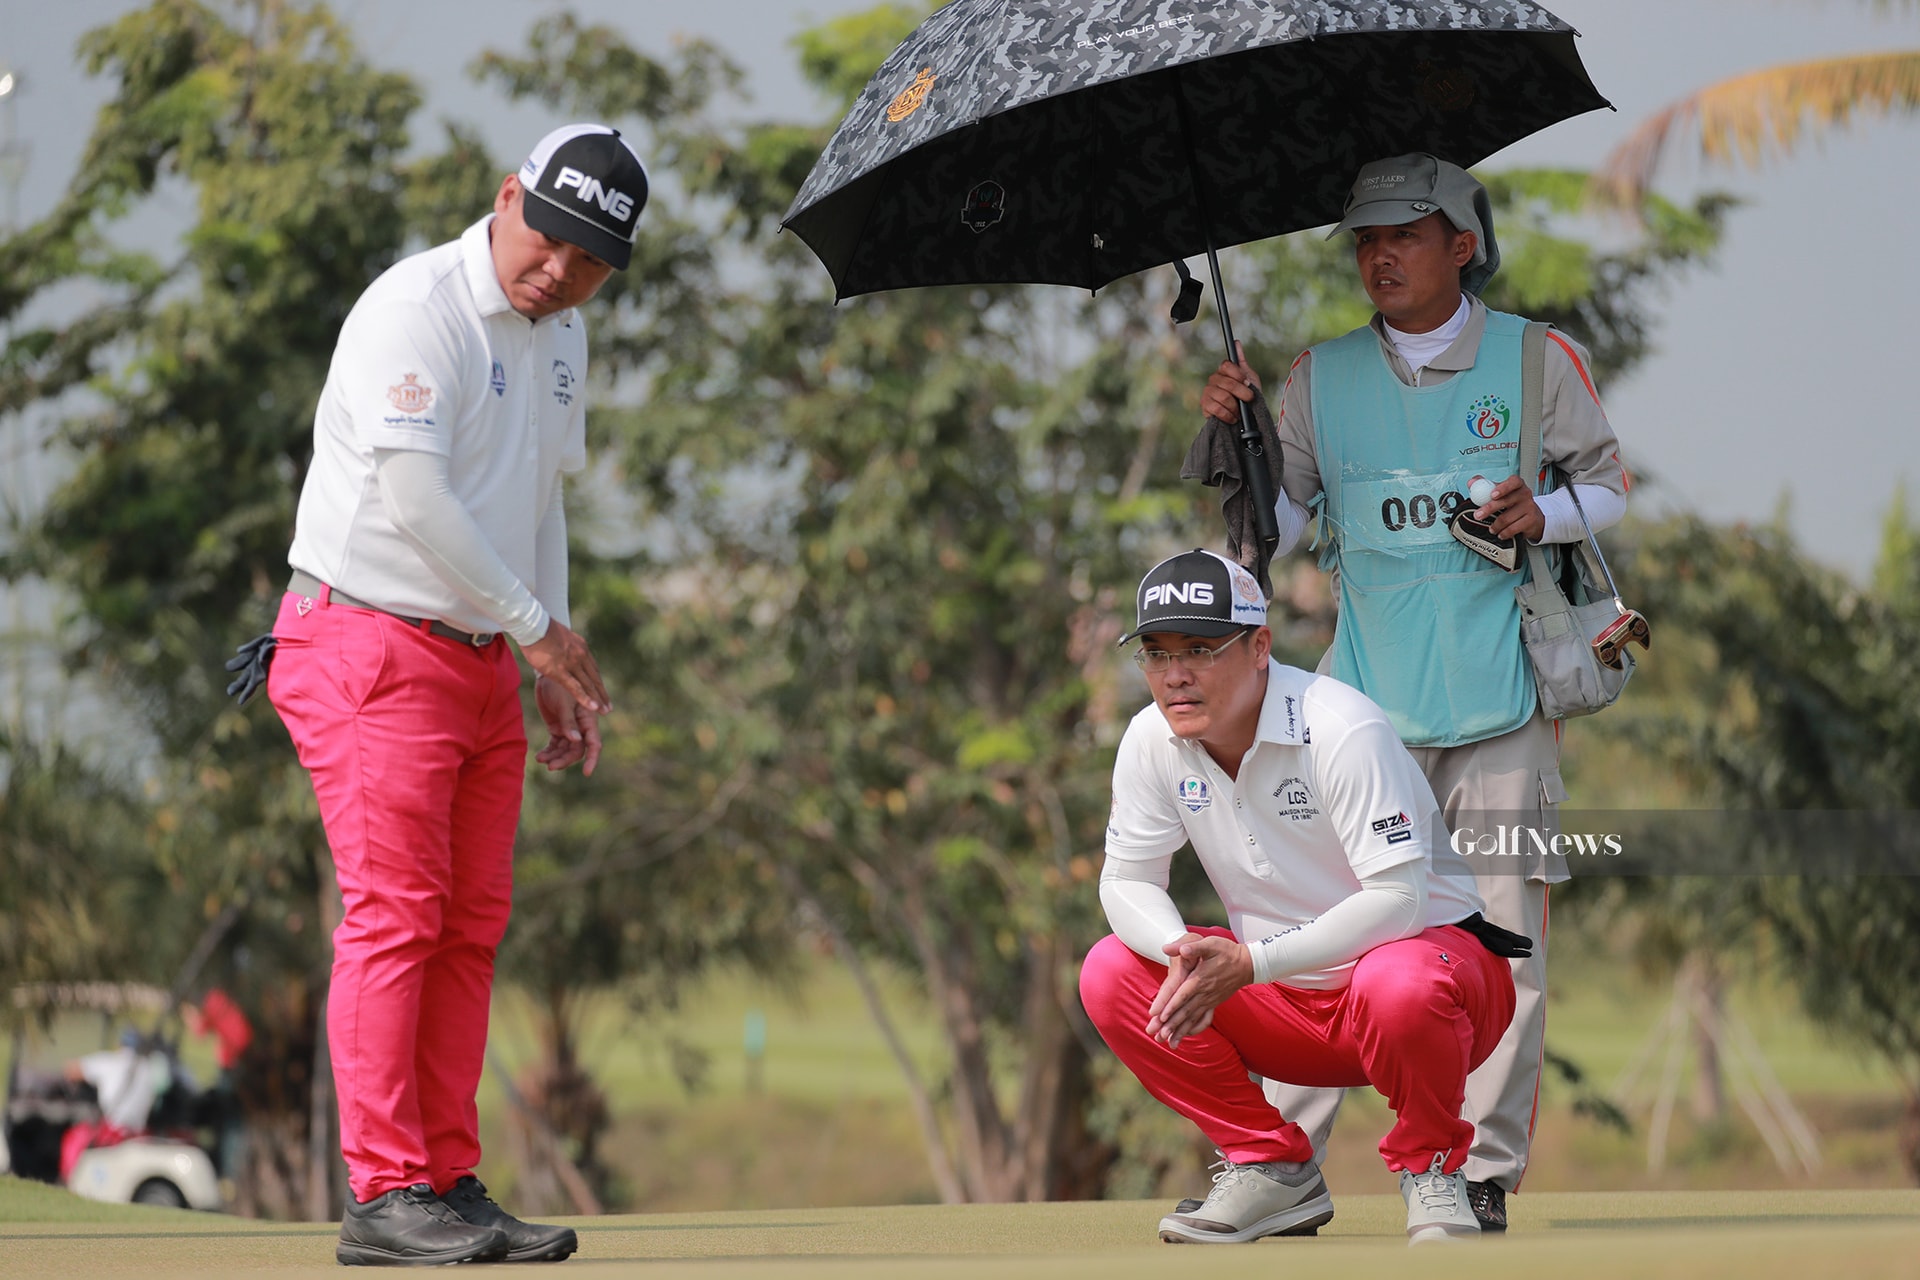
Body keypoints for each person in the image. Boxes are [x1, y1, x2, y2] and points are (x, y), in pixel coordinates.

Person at [1196, 153, 1629, 1232]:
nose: (1379, 256)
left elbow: (1610, 485)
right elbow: (1273, 536)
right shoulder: (1313, 377)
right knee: (1323, 930)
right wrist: (1240, 441)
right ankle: (1285, 1162)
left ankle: (1479, 1169)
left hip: (1502, 695)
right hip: (1358, 708)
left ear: (1462, 245)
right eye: (1364, 240)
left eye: (1404, 234)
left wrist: (1550, 513)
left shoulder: (1538, 360)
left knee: (1498, 936)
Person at [266, 123, 647, 1267]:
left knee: (468, 927)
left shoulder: (562, 332)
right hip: (366, 641)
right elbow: (417, 495)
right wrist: (539, 631)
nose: (559, 270)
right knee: (396, 916)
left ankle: (443, 1177)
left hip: (481, 657)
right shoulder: (413, 306)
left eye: (589, 260)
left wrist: (554, 659)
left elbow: (540, 501)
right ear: (507, 195)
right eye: (551, 239)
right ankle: (385, 1192)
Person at [1083, 548, 1521, 1245]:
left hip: (1436, 995)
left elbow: (1400, 902)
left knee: (1396, 977)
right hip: (1287, 1010)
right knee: (1110, 971)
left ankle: (1433, 1170)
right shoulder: (1149, 739)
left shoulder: (1340, 726)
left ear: (1260, 647)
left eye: (1200, 648)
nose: (1175, 676)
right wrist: (1178, 954)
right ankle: (1270, 1166)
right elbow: (1128, 879)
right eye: (1156, 654)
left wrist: (1249, 963)